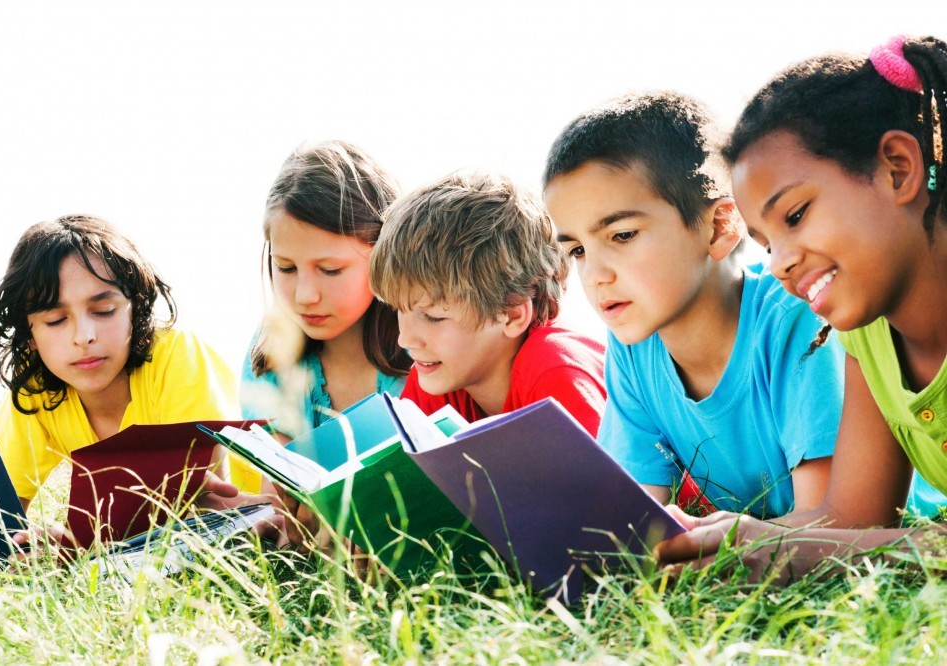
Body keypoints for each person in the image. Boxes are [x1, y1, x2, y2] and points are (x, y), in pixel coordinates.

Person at [655, 35, 947, 582]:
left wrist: (797, 552)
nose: (781, 264)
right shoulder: (870, 338)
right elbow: (854, 518)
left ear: (898, 169)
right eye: (766, 244)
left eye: (794, 216)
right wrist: (737, 537)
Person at [543, 92, 844, 518]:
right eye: (577, 251)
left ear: (720, 227)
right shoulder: (633, 349)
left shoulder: (794, 320)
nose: (594, 275)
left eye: (623, 235)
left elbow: (827, 523)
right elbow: (628, 518)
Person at [0, 215, 261, 510]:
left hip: (258, 527)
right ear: (30, 334)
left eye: (104, 310)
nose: (84, 337)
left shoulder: (176, 356)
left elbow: (206, 505)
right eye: (55, 320)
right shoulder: (35, 389)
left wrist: (82, 544)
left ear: (137, 308)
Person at [369, 170, 606, 435]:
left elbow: (603, 477)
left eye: (434, 317)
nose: (406, 340)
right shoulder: (438, 376)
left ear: (513, 315)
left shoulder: (556, 370)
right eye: (399, 309)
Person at [240, 140, 411, 437]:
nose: (305, 296)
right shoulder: (270, 356)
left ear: (384, 254)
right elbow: (279, 482)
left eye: (330, 270)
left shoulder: (425, 349)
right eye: (286, 267)